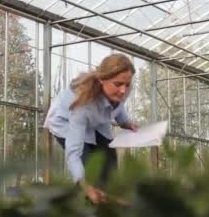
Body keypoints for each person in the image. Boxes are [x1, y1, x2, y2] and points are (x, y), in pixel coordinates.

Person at [44, 54, 138, 204]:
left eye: (127, 85)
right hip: (66, 120)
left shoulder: (123, 89)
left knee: (110, 167)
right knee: (89, 172)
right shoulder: (83, 106)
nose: (123, 90)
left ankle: (114, 206)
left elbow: (119, 106)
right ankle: (89, 208)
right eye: (118, 84)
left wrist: (125, 122)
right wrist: (84, 183)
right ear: (102, 79)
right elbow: (73, 152)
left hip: (97, 120)